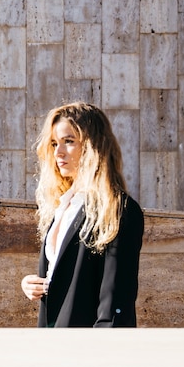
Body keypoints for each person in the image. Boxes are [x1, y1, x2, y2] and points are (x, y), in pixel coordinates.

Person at [21, 102, 144, 327]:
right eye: (54, 143)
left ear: (92, 146)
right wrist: (35, 284)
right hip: (52, 340)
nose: (58, 152)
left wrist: (98, 356)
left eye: (69, 141)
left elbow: (116, 301)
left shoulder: (118, 208)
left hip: (87, 350)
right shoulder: (63, 206)